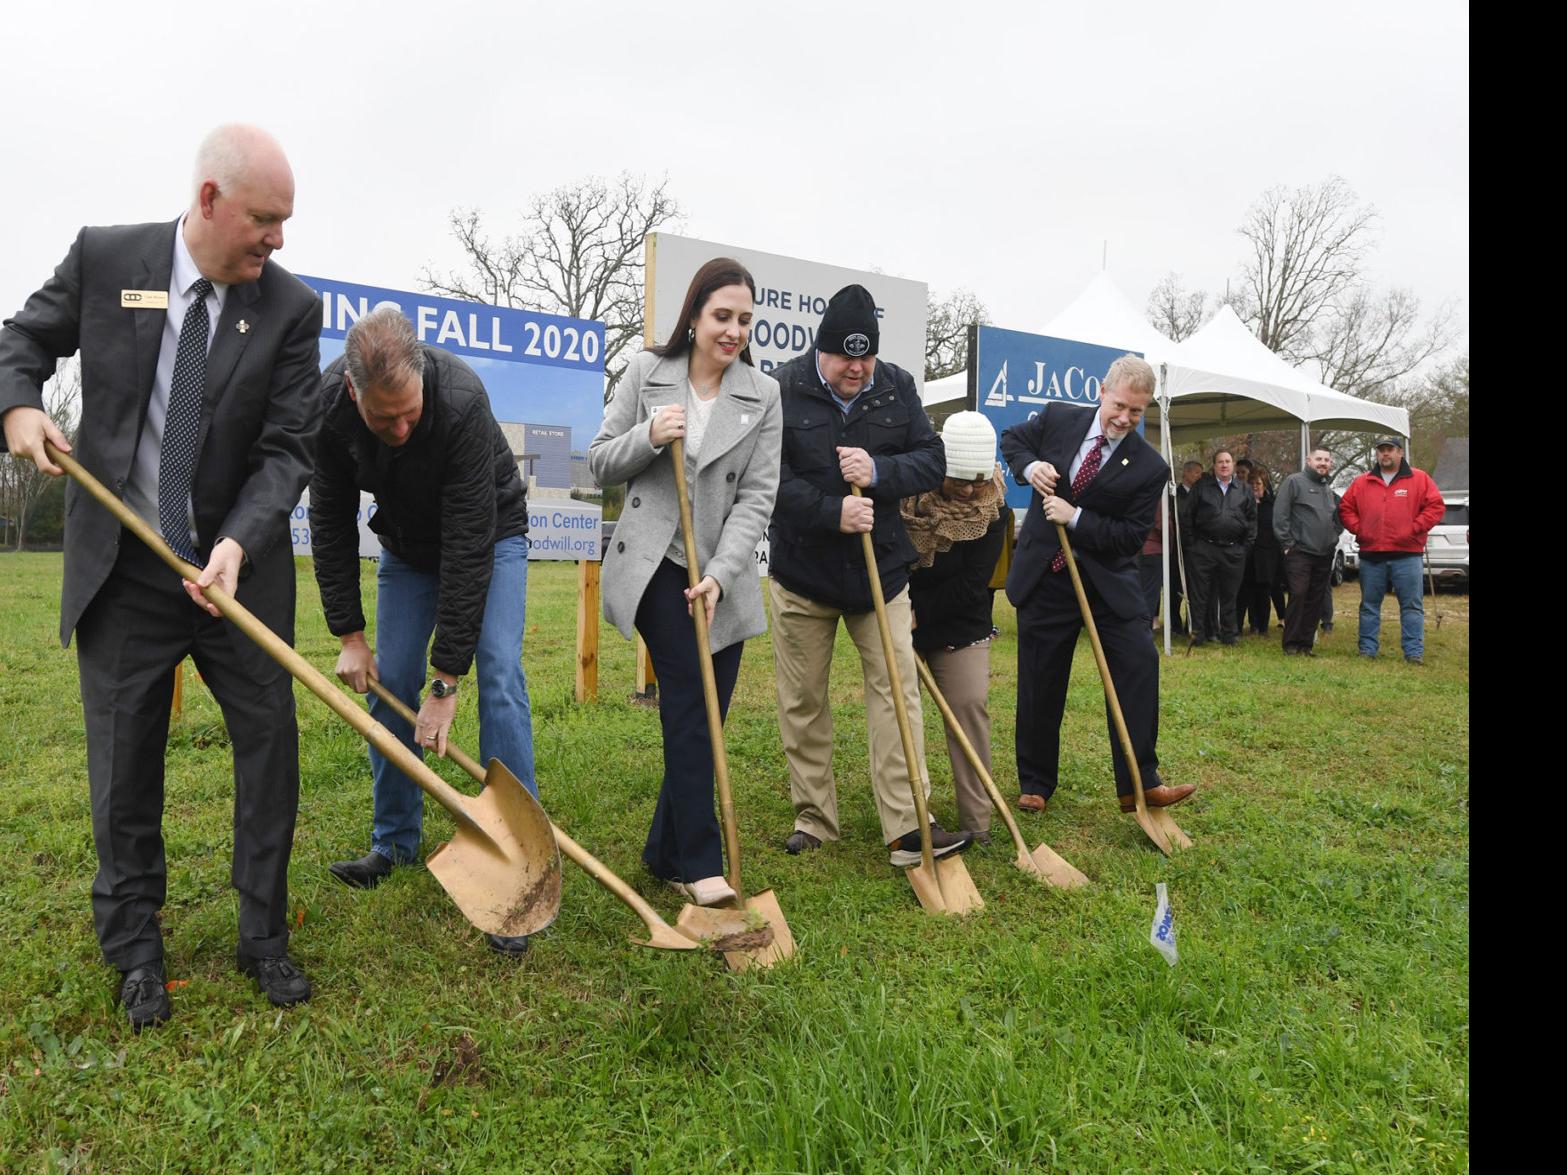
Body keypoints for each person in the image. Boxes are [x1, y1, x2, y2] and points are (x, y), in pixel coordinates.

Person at [0, 126, 321, 1028]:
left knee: (270, 750)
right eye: (265, 218)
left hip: (234, 571)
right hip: (128, 567)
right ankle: (136, 948)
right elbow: (19, 339)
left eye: (286, 222)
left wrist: (238, 544)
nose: (278, 240)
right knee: (125, 761)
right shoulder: (109, 260)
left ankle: (263, 935)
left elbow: (288, 448)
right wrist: (19, 404)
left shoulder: (290, 310)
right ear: (210, 200)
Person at [309, 307, 536, 955]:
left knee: (496, 675)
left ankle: (517, 860)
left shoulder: (460, 399)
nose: (402, 427)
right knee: (389, 681)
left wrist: (446, 680)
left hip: (489, 535)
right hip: (406, 548)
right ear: (354, 392)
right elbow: (328, 517)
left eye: (410, 412)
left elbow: (468, 542)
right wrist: (349, 634)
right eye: (386, 420)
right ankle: (393, 843)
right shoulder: (329, 408)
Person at [588, 259, 781, 906]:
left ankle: (663, 850)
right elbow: (599, 459)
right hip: (654, 567)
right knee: (690, 709)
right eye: (721, 316)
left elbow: (757, 497)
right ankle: (703, 867)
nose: (732, 331)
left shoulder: (763, 394)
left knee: (709, 718)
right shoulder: (646, 373)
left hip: (720, 576)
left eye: (744, 320)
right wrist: (649, 433)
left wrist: (722, 577)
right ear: (694, 316)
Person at [768, 284, 973, 867]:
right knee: (803, 700)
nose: (857, 369)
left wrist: (879, 471)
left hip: (880, 575)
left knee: (897, 695)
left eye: (866, 357)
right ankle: (815, 818)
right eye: (844, 357)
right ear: (820, 350)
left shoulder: (897, 386)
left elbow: (932, 460)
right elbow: (767, 480)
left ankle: (909, 824)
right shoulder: (783, 388)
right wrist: (832, 511)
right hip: (802, 576)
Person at [1000, 354, 1195, 816]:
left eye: (1137, 412)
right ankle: (1036, 781)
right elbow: (1012, 441)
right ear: (1101, 392)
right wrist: (1030, 469)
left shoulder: (1150, 467)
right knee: (1041, 681)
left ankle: (1139, 782)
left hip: (1108, 584)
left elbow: (1129, 537)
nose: (1125, 419)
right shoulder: (1056, 420)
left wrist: (1078, 517)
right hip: (1047, 580)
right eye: (1120, 406)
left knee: (1138, 665)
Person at [902, 411, 1011, 842]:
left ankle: (977, 822)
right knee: (897, 718)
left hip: (960, 624)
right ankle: (910, 820)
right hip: (898, 615)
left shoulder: (993, 510)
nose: (968, 491)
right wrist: (900, 608)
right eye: (959, 480)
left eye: (977, 481)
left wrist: (921, 614)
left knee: (969, 709)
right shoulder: (908, 498)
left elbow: (972, 585)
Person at [1339, 437, 1444, 663]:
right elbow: (1346, 508)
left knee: (1412, 606)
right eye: (1381, 450)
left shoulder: (1420, 479)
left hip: (1407, 555)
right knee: (1369, 605)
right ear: (1377, 454)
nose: (1385, 454)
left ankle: (1413, 653)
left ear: (1400, 453)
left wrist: (1415, 528)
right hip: (1372, 555)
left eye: (1390, 450)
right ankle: (1367, 650)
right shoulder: (1361, 482)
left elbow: (1436, 507)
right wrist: (1361, 529)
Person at [1182, 449, 1256, 645]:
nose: (1224, 465)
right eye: (1220, 462)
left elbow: (1252, 520)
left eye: (1228, 461)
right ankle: (1197, 634)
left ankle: (1229, 635)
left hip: (1233, 551)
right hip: (1204, 549)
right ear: (1214, 466)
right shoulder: (1202, 487)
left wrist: (1245, 547)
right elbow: (1187, 516)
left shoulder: (1244, 489)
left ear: (1233, 465)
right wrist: (1192, 545)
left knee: (1230, 595)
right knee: (1200, 595)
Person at [1274, 448, 1342, 655]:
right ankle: (1291, 644)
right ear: (1308, 460)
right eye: (1319, 459)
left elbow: (1337, 517)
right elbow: (1280, 514)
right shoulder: (1294, 482)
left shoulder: (1328, 488)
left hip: (1324, 553)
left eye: (1327, 460)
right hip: (1299, 552)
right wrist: (1287, 544)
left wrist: (1334, 536)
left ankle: (1305, 645)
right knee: (1299, 593)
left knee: (1316, 598)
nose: (1323, 463)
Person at [1244, 469, 1288, 635]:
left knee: (1264, 591)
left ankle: (1263, 627)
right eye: (1252, 483)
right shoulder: (1244, 502)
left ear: (1264, 484)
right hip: (1249, 553)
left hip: (1267, 554)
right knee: (1249, 591)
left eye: (1258, 483)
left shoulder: (1273, 504)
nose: (1254, 487)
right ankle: (1252, 624)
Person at [1170, 460, 1203, 635]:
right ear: (1187, 473)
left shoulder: (1201, 494)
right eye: (1196, 473)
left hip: (1196, 549)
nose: (1199, 476)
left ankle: (1191, 624)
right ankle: (1175, 625)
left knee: (1194, 588)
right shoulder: (1175, 494)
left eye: (1200, 473)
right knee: (1175, 587)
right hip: (1177, 548)